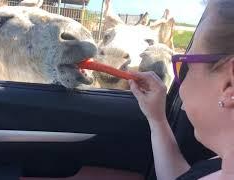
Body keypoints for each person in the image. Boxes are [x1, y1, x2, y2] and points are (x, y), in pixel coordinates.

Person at [23, 0, 234, 179]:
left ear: (230, 85)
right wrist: (157, 119)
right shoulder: (222, 162)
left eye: (184, 63)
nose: (181, 77)